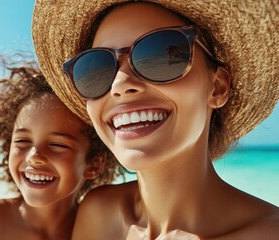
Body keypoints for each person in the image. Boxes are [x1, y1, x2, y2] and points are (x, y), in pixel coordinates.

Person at [32, 1, 279, 239]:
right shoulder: (98, 213)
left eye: (161, 54)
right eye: (96, 69)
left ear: (217, 87)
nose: (120, 84)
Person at [0, 55, 124, 240]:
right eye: (22, 141)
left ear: (94, 164)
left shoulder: (103, 231)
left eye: (57, 144)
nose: (34, 156)